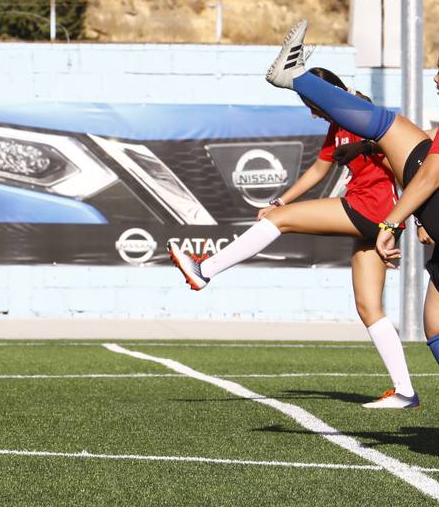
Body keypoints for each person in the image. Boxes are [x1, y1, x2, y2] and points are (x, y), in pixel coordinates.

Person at [262, 20, 439, 466]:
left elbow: (431, 174)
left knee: (389, 126)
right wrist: (431, 218)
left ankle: (292, 77)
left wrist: (391, 223)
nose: (435, 79)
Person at [168, 67, 418, 410]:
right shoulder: (337, 122)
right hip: (374, 215)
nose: (311, 111)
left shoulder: (361, 113)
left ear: (328, 92)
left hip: (373, 210)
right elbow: (319, 169)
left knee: (281, 222)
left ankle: (204, 271)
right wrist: (281, 200)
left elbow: (401, 165)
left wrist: (408, 218)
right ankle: (405, 391)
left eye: (311, 102)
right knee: (368, 306)